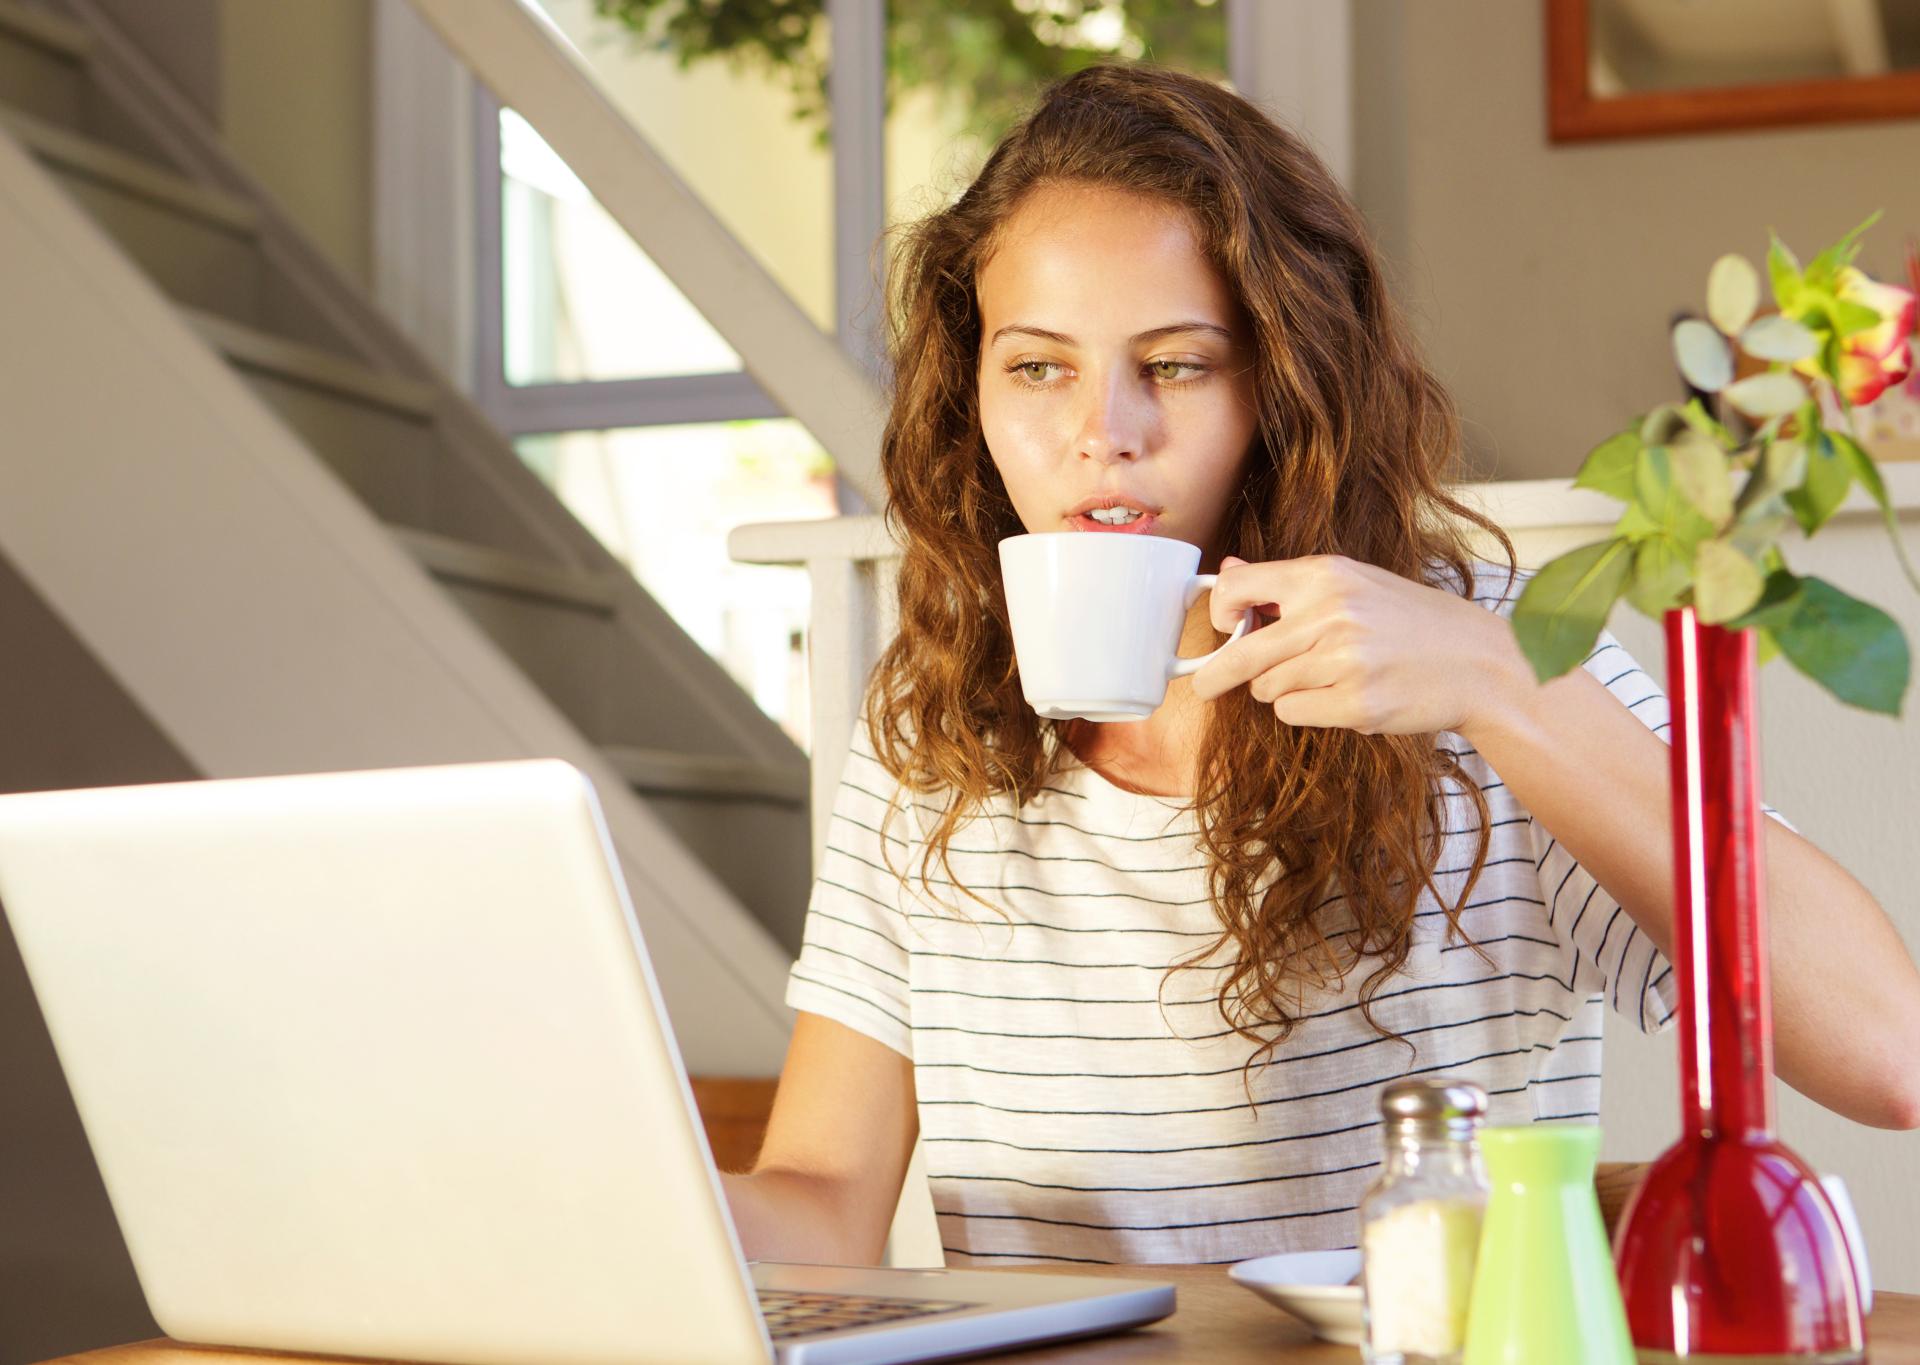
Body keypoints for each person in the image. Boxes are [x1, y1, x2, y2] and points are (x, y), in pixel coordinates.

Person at [719, 63, 1920, 1268]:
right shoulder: (935, 721)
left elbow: (1886, 1056)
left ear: (1284, 387)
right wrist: (581, 1197)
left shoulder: (1482, 651)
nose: (1104, 432)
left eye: (1177, 364)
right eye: (1039, 367)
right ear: (968, 395)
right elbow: (823, 1194)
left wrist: (1504, 686)